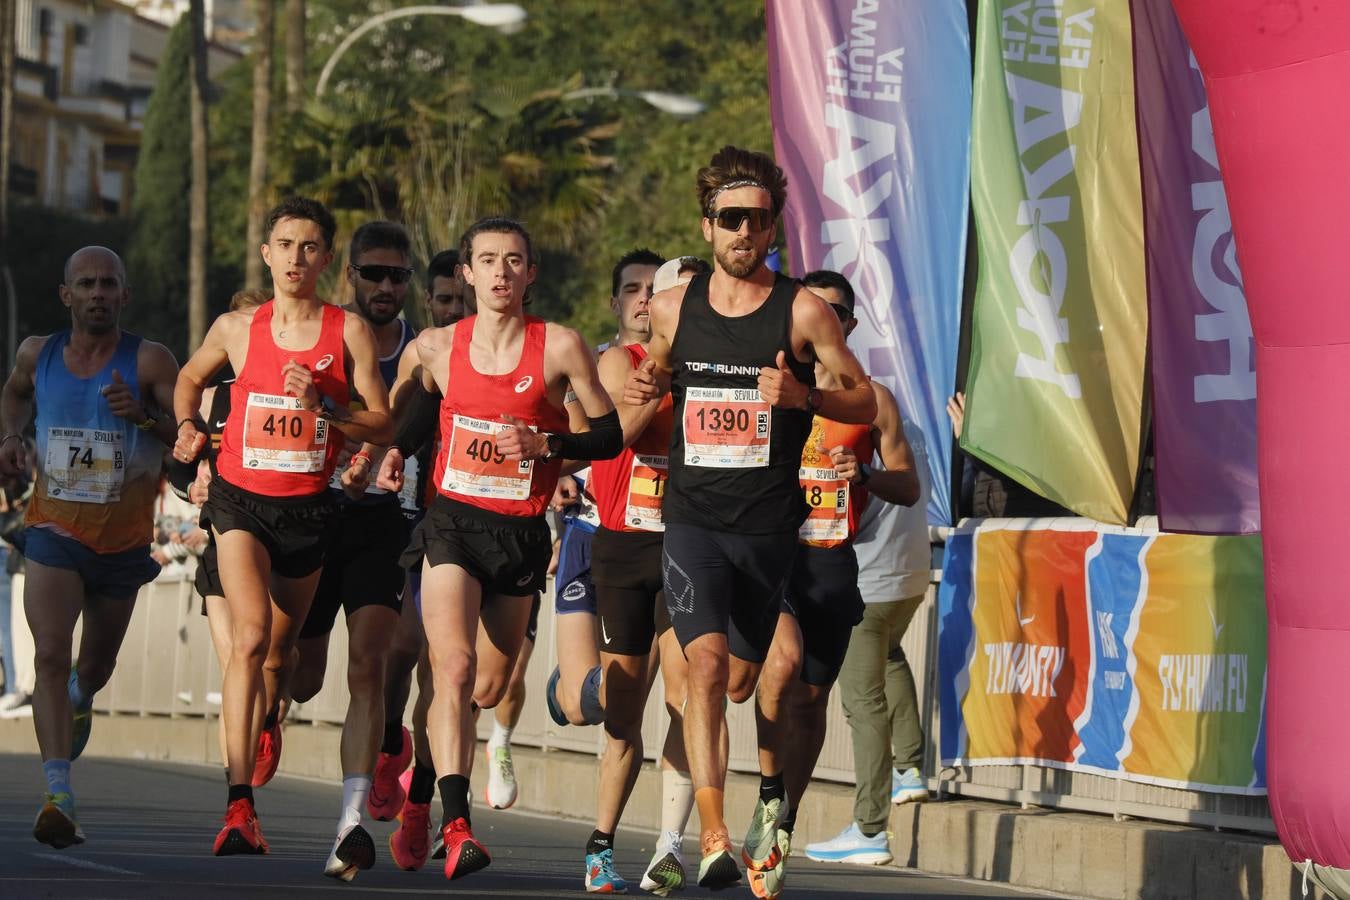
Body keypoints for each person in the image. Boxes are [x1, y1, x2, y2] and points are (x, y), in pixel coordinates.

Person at [624, 145, 876, 891]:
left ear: (774, 228)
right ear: (707, 227)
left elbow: (863, 399)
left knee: (741, 683)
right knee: (701, 669)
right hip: (694, 519)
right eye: (731, 218)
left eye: (758, 220)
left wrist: (808, 401)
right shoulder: (673, 307)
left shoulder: (804, 310)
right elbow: (658, 374)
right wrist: (647, 387)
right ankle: (712, 834)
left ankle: (771, 792)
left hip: (769, 533)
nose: (744, 231)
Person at [376, 215, 622, 882]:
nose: (501, 272)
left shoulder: (561, 347)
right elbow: (424, 405)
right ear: (468, 271)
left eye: (514, 261)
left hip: (518, 532)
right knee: (450, 668)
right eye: (488, 260)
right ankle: (456, 826)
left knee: (484, 685)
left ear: (531, 272)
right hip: (452, 522)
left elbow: (609, 436)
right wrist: (397, 451)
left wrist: (550, 445)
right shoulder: (436, 346)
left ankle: (421, 791)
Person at [173, 196, 392, 857]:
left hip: (309, 509)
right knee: (246, 639)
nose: (296, 258)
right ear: (266, 254)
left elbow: (378, 421)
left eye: (309, 247)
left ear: (327, 259)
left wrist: (322, 406)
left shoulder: (345, 330)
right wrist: (187, 426)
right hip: (240, 500)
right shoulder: (238, 328)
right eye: (284, 245)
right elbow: (189, 377)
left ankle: (268, 712)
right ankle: (239, 806)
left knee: (280, 656)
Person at [0, 246, 181, 848]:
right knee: (49, 653)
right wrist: (9, 435)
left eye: (109, 284)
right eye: (87, 284)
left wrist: (145, 419)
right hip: (53, 532)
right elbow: (16, 393)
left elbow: (190, 441)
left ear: (124, 296)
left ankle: (81, 698)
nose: (98, 293)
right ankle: (58, 793)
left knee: (93, 668)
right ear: (66, 295)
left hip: (122, 544)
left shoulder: (150, 359)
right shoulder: (37, 352)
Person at [752, 269, 919, 893]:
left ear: (847, 327)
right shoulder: (766, 385)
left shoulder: (872, 400)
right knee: (778, 666)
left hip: (831, 559)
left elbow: (909, 488)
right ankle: (769, 790)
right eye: (813, 308)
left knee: (810, 699)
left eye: (838, 311)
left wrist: (866, 476)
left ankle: (781, 822)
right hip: (772, 556)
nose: (825, 319)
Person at [280, 220, 419, 881]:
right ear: (351, 277)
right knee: (303, 680)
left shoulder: (424, 352)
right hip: (312, 515)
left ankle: (350, 824)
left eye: (398, 276)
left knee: (368, 665)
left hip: (383, 524)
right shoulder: (322, 336)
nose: (386, 286)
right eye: (374, 274)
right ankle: (269, 712)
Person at [545, 248, 666, 735]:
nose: (644, 300)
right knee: (581, 707)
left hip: (653, 541)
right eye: (633, 290)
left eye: (655, 291)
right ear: (614, 302)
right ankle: (564, 688)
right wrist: (559, 478)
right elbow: (562, 438)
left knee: (627, 706)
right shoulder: (586, 366)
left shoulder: (689, 369)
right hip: (587, 531)